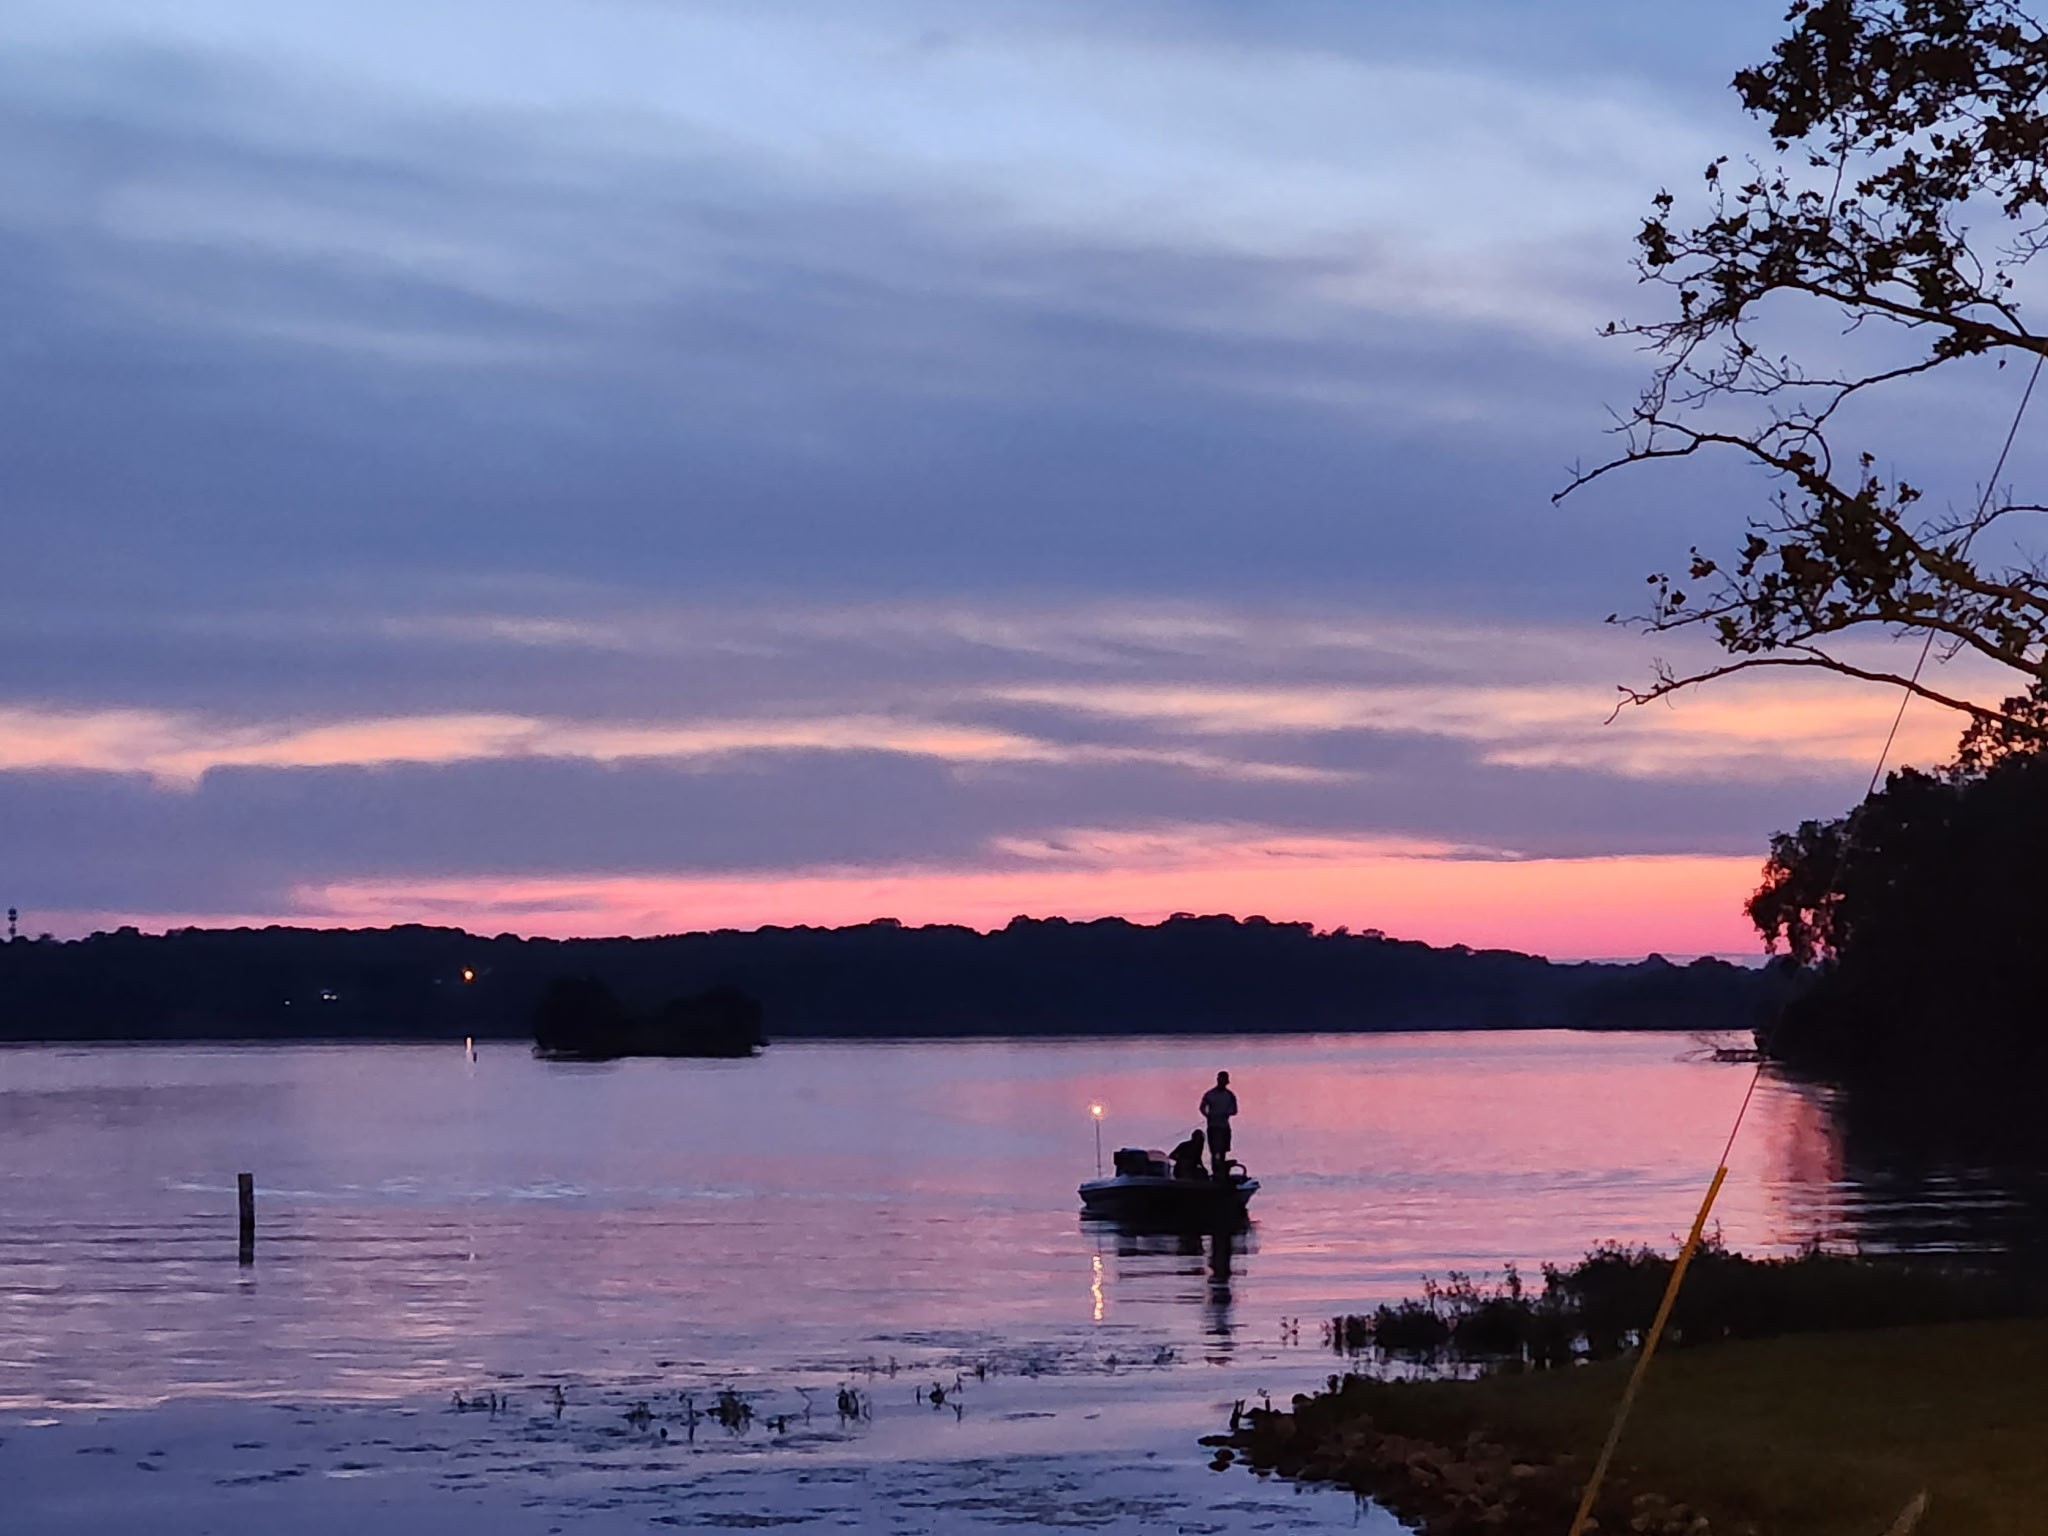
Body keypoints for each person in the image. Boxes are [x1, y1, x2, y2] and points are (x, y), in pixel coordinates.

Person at [1199, 1071, 1237, 1177]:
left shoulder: (1230, 1095)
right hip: (1213, 1127)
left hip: (1224, 1126)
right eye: (1220, 1079)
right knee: (1214, 1151)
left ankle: (1221, 1172)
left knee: (1223, 1151)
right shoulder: (1210, 1094)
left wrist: (1225, 1113)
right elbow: (1202, 1107)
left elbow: (1234, 1110)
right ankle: (1216, 1172)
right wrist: (1207, 1115)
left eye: (1224, 1080)